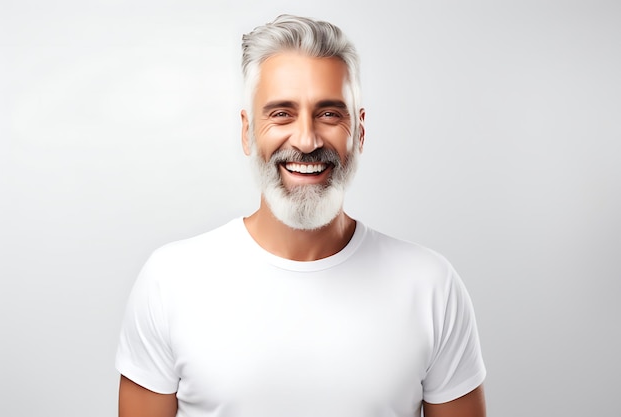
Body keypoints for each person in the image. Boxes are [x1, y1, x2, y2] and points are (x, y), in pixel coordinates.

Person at [116, 14, 486, 417]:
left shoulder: (431, 286)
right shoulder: (170, 280)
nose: (307, 140)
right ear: (247, 131)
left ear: (359, 132)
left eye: (329, 114)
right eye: (281, 114)